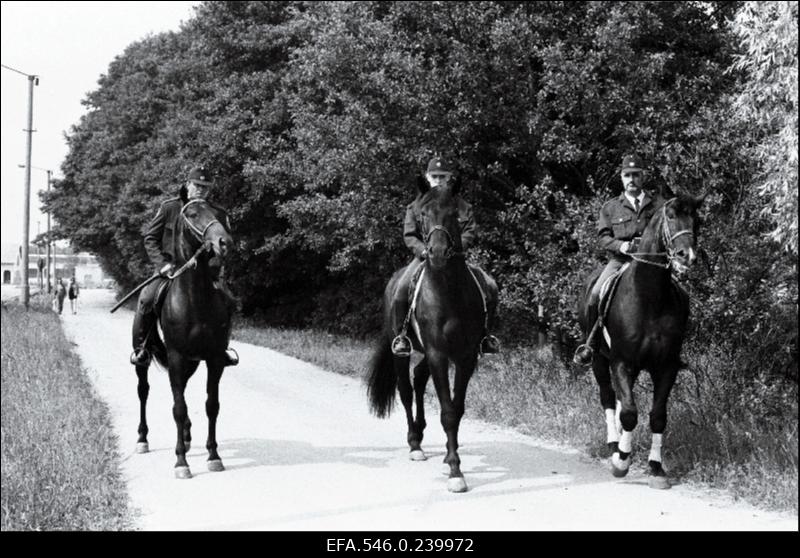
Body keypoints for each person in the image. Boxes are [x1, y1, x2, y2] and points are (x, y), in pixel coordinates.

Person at [390, 156, 500, 357]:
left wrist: (456, 248)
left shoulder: (462, 205)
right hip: (424, 257)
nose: (438, 180)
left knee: (490, 286)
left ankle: (485, 337)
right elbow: (409, 234)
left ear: (449, 178)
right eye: (435, 176)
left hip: (456, 258)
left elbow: (470, 230)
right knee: (401, 290)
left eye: (443, 176)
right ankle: (402, 336)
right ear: (428, 178)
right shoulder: (415, 205)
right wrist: (423, 251)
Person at [130, 165, 239, 367]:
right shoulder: (169, 208)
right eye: (197, 185)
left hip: (205, 273)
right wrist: (162, 264)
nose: (201, 190)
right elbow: (150, 239)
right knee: (147, 299)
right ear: (188, 184)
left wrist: (216, 261)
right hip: (170, 270)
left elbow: (225, 245)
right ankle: (143, 348)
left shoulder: (218, 213)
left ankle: (222, 348)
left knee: (228, 301)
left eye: (205, 187)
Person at [573, 154, 663, 366]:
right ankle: (591, 343)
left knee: (679, 293)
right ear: (622, 178)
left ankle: (673, 343)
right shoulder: (611, 207)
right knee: (595, 294)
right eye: (627, 175)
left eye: (636, 175)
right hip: (621, 261)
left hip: (652, 264)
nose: (632, 179)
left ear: (643, 177)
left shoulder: (657, 206)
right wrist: (621, 245)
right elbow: (603, 238)